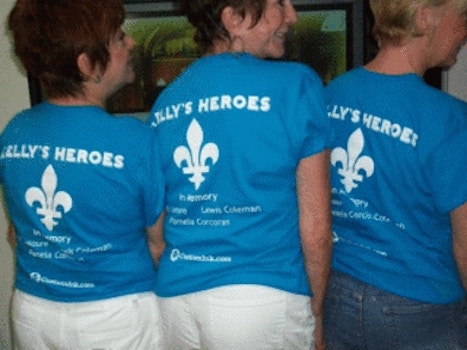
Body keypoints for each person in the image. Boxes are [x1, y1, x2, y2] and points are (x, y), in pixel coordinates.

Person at [146, 0, 333, 349]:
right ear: (233, 18)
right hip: (262, 299)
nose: (291, 16)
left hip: (176, 301)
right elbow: (316, 228)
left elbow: (156, 224)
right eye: (278, 3)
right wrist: (317, 313)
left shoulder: (166, 102)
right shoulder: (297, 85)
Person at [3, 0, 165, 349]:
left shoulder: (15, 132)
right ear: (87, 64)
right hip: (116, 318)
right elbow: (158, 245)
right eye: (120, 38)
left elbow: (16, 235)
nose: (131, 43)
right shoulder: (135, 140)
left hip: (34, 313)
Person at [323, 0, 467, 349]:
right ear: (424, 17)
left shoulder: (330, 95)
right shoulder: (449, 121)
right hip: (421, 310)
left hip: (337, 296)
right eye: (463, 17)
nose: (465, 33)